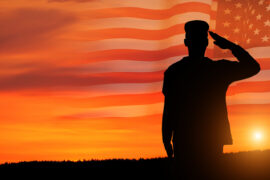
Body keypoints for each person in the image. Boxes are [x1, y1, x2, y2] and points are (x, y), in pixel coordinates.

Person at [162, 20, 260, 179]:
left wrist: (166, 138)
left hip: (190, 141)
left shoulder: (175, 71)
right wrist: (230, 46)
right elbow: (252, 67)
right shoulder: (217, 69)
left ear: (186, 42)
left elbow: (169, 110)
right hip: (204, 142)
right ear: (206, 43)